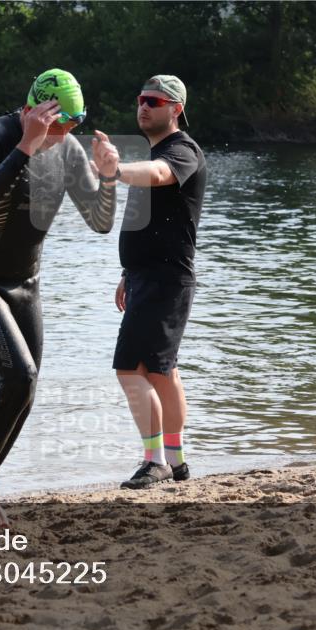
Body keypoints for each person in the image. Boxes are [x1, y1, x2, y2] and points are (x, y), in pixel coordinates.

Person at [0, 69, 120, 528]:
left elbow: (99, 222)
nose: (64, 134)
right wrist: (26, 145)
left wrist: (108, 178)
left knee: (25, 387)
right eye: (58, 123)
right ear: (33, 110)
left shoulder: (67, 150)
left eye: (73, 125)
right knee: (17, 376)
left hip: (25, 283)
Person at [109, 75, 207, 490]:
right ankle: (177, 462)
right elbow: (147, 221)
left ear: (175, 109)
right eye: (140, 100)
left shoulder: (181, 150)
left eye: (154, 101)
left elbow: (160, 173)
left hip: (166, 280)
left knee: (130, 369)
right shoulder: (156, 151)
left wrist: (116, 169)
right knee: (164, 373)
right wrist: (127, 273)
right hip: (148, 278)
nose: (144, 106)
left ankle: (155, 462)